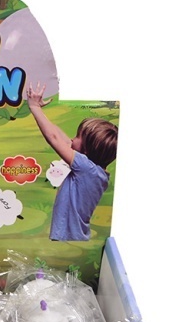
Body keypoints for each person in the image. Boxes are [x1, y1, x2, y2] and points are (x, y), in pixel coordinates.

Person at [26, 83, 118, 241]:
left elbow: (54, 138)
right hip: (74, 236)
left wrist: (34, 107)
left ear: (86, 150)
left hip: (68, 237)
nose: (71, 139)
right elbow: (61, 137)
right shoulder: (96, 172)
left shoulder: (86, 168)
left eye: (77, 136)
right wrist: (41, 112)